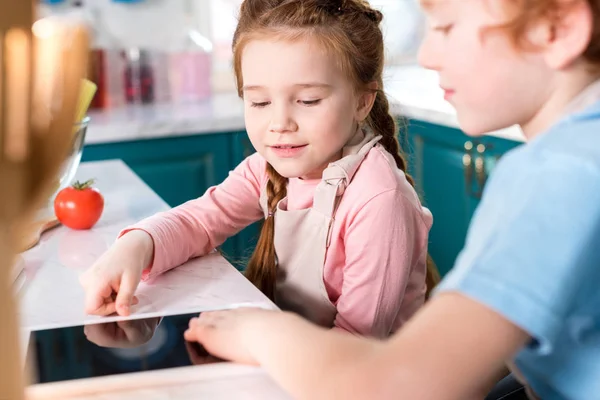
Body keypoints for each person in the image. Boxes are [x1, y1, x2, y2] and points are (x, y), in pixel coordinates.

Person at [183, 0, 600, 399]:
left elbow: (393, 386)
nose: (428, 54)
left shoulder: (560, 173)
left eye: (446, 26)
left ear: (557, 29)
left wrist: (256, 332)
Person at [79, 0, 436, 339]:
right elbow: (199, 222)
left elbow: (357, 347)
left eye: (308, 100)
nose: (279, 123)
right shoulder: (267, 170)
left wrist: (252, 343)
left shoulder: (378, 199)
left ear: (362, 101)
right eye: (260, 102)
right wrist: (136, 246)